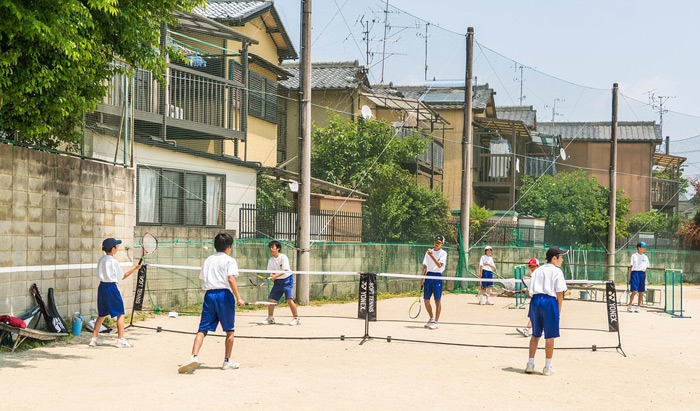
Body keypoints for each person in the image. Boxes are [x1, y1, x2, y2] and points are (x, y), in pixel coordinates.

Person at [178, 233, 245, 373]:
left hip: (209, 295)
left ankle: (193, 356)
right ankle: (227, 361)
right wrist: (238, 297)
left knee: (202, 329)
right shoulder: (230, 260)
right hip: (224, 295)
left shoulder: (208, 259)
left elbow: (202, 277)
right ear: (228, 247)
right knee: (230, 330)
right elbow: (231, 278)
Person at [89, 238, 142, 348]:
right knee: (120, 313)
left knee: (102, 314)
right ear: (113, 249)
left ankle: (93, 339)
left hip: (102, 287)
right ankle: (121, 340)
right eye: (117, 246)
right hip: (111, 287)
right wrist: (135, 268)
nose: (118, 248)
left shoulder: (101, 260)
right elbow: (123, 276)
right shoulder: (113, 261)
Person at [525, 247, 568, 376]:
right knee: (550, 336)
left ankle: (530, 363)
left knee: (535, 334)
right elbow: (560, 294)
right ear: (554, 258)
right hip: (549, 301)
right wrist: (558, 312)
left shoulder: (537, 271)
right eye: (561, 257)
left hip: (535, 301)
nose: (562, 260)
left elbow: (531, 291)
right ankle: (547, 367)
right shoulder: (557, 271)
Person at [260, 240, 300, 326]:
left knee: (289, 300)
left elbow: (284, 271)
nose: (271, 249)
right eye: (270, 247)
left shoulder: (283, 257)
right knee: (271, 299)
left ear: (278, 248)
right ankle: (270, 318)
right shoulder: (271, 260)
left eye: (272, 247)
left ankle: (296, 318)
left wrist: (274, 277)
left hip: (287, 280)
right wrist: (271, 275)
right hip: (278, 281)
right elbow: (271, 272)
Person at [420, 235, 448, 330]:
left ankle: (436, 321)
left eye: (439, 242)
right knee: (426, 300)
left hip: (437, 276)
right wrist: (421, 279)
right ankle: (431, 318)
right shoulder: (428, 252)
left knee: (437, 300)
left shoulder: (443, 253)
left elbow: (439, 265)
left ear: (442, 244)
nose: (437, 243)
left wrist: (432, 256)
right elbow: (425, 266)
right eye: (436, 241)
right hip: (428, 276)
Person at [515, 258, 539, 337]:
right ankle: (529, 329)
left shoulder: (538, 275)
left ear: (537, 266)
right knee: (535, 316)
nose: (531, 268)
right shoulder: (534, 275)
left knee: (534, 315)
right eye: (530, 266)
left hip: (538, 298)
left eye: (533, 266)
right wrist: (525, 290)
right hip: (536, 298)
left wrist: (526, 290)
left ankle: (527, 329)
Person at [627, 242, 650, 313]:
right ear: (639, 248)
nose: (644, 248)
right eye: (643, 247)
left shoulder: (645, 257)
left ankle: (638, 306)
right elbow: (631, 267)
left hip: (642, 274)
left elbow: (646, 269)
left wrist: (646, 278)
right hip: (635, 273)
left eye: (645, 247)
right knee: (634, 291)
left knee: (641, 291)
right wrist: (630, 277)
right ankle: (630, 305)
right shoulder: (634, 256)